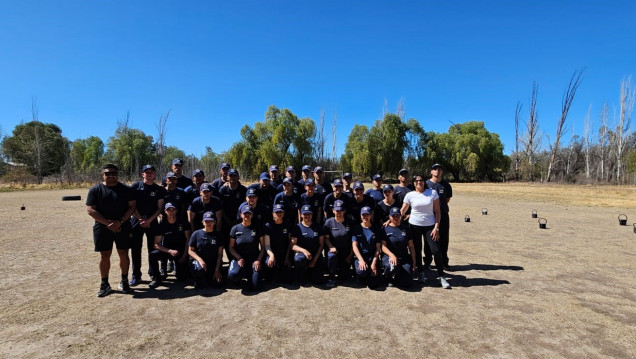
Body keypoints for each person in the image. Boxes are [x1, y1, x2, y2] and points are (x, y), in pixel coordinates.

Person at [86, 164, 136, 297]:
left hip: (123, 226)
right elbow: (90, 209)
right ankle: (105, 284)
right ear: (103, 174)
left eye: (114, 173)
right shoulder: (95, 190)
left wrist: (120, 222)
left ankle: (124, 281)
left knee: (124, 254)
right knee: (105, 255)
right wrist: (108, 223)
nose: (111, 175)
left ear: (117, 175)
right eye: (108, 173)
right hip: (102, 227)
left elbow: (132, 207)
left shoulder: (126, 189)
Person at [400, 174, 450, 289]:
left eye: (421, 180)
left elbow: (437, 212)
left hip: (430, 226)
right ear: (413, 183)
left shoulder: (432, 193)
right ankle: (421, 273)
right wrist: (391, 221)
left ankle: (442, 276)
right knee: (417, 250)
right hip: (414, 226)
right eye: (416, 181)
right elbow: (403, 210)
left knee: (435, 250)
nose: (419, 182)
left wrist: (436, 227)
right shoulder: (410, 195)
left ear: (424, 181)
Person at [130, 164, 165, 285]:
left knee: (153, 248)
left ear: (155, 174)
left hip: (152, 222)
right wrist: (140, 219)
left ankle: (154, 273)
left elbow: (160, 208)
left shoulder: (159, 189)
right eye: (147, 172)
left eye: (151, 172)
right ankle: (136, 275)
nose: (149, 174)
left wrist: (149, 220)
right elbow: (132, 205)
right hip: (136, 221)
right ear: (142, 174)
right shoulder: (135, 186)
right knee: (135, 249)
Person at [148, 203, 191, 288]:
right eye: (168, 210)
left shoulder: (183, 222)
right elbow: (156, 244)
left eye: (173, 209)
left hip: (180, 251)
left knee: (182, 278)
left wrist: (184, 256)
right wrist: (169, 251)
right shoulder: (162, 224)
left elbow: (188, 240)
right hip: (167, 250)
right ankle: (156, 278)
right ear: (165, 211)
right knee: (152, 255)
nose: (171, 212)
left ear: (176, 211)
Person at [228, 206, 265, 291]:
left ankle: (250, 274)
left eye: (249, 213)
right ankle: (239, 278)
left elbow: (263, 247)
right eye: (245, 213)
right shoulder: (235, 228)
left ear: (252, 215)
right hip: (239, 259)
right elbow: (231, 247)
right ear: (241, 215)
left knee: (256, 285)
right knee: (233, 275)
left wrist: (258, 260)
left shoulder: (257, 228)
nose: (247, 215)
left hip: (253, 259)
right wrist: (238, 257)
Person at [426, 163, 453, 271]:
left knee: (444, 239)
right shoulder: (426, 184)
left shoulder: (446, 185)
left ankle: (444, 262)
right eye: (435, 169)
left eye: (439, 169)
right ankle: (427, 262)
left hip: (443, 216)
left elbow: (446, 200)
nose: (437, 171)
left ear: (442, 172)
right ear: (431, 172)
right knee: (429, 240)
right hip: (429, 216)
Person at [381, 207, 416, 288]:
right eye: (393, 216)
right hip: (389, 257)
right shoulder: (385, 229)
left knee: (406, 283)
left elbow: (411, 247)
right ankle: (388, 277)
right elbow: (383, 246)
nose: (395, 218)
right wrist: (391, 255)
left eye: (397, 216)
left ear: (401, 216)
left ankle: (398, 275)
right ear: (389, 217)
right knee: (392, 267)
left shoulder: (406, 229)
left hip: (403, 257)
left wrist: (414, 263)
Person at [188, 211, 224, 289]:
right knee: (200, 282)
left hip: (213, 263)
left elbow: (220, 254)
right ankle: (198, 279)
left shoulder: (218, 235)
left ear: (214, 222)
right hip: (200, 262)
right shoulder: (196, 234)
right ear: (202, 222)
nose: (208, 223)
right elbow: (190, 251)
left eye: (211, 221)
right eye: (206, 221)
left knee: (218, 284)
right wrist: (200, 260)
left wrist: (217, 269)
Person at [291, 205, 325, 285]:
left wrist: (314, 260)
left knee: (318, 281)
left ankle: (311, 272)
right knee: (299, 260)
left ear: (312, 214)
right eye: (305, 214)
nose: (307, 216)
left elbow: (321, 245)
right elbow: (293, 245)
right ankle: (302, 273)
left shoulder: (318, 227)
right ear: (301, 215)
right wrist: (304, 250)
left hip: (315, 255)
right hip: (302, 255)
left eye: (309, 214)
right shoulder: (297, 227)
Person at [323, 199, 354, 288]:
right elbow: (326, 238)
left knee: (344, 277)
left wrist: (350, 256)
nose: (339, 212)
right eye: (337, 210)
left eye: (341, 210)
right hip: (334, 250)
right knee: (332, 256)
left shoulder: (350, 222)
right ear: (333, 210)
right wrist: (331, 246)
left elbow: (353, 241)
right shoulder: (329, 222)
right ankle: (331, 278)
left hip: (346, 252)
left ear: (344, 211)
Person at [351, 206, 383, 289]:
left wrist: (374, 263)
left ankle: (370, 272)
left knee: (374, 285)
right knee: (362, 272)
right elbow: (354, 246)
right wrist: (361, 260)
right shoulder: (356, 228)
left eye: (367, 215)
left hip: (372, 257)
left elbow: (378, 248)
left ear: (371, 215)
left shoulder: (375, 229)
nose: (365, 217)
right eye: (363, 215)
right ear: (360, 216)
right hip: (360, 257)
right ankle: (360, 276)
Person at [264, 204, 292, 283]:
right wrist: (271, 256)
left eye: (281, 212)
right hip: (272, 252)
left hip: (284, 253)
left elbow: (290, 243)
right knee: (269, 263)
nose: (279, 214)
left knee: (287, 279)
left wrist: (287, 258)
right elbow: (267, 246)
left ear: (283, 213)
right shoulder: (268, 226)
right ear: (273, 213)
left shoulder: (287, 225)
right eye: (276, 212)